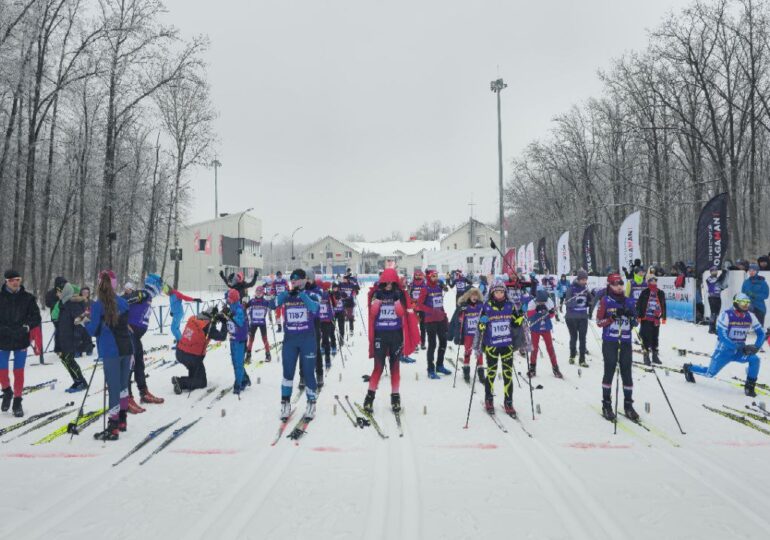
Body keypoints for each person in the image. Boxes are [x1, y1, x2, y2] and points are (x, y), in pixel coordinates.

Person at [683, 293, 766, 396]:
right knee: (710, 373)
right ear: (736, 303)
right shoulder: (726, 315)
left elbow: (761, 333)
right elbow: (722, 336)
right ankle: (689, 368)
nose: (746, 306)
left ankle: (750, 387)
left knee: (755, 359)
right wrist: (736, 346)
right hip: (724, 351)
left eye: (747, 303)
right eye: (743, 303)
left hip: (740, 351)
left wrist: (756, 347)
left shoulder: (750, 316)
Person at [83, 270, 132, 440]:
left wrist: (85, 322)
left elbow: (94, 330)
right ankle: (123, 421)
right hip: (127, 349)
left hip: (112, 351)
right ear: (114, 284)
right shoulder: (123, 302)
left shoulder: (97, 306)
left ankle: (113, 427)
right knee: (123, 386)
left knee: (113, 388)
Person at [363, 268, 419, 413]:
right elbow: (373, 313)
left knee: (395, 367)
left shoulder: (399, 293)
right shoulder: (377, 293)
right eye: (386, 282)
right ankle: (369, 399)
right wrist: (378, 300)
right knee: (378, 368)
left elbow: (401, 313)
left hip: (395, 335)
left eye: (391, 282)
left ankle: (395, 398)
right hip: (380, 335)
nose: (388, 285)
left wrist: (395, 301)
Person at [275, 269, 320, 421]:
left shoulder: (312, 293)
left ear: (304, 280)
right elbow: (272, 304)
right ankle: (285, 403)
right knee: (287, 373)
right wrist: (285, 294)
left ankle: (311, 402)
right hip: (290, 340)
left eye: (297, 279)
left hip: (307, 339)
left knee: (308, 373)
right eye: (291, 279)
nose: (293, 281)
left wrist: (301, 294)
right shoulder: (287, 295)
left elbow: (315, 308)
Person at [474, 280, 524, 416]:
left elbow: (516, 323)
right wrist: (482, 325)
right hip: (492, 346)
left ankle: (509, 402)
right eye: (496, 292)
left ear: (505, 293)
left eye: (501, 292)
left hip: (506, 345)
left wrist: (520, 316)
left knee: (508, 374)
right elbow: (480, 325)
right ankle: (489, 400)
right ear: (492, 293)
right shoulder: (487, 306)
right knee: (491, 373)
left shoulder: (510, 305)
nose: (499, 294)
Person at [595, 273, 639, 421]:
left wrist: (631, 318)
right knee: (610, 369)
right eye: (615, 284)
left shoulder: (629, 301)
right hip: (610, 341)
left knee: (627, 372)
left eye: (621, 283)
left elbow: (636, 321)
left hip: (625, 341)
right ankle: (606, 405)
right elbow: (599, 322)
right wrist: (612, 317)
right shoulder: (605, 301)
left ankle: (628, 405)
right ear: (610, 285)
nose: (619, 286)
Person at [0, 270, 42, 417]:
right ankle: (7, 392)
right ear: (6, 281)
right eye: (11, 280)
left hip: (21, 340)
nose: (15, 282)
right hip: (2, 340)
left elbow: (36, 317)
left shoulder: (28, 298)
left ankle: (17, 401)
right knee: (2, 372)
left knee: (19, 373)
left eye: (17, 279)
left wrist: (27, 327)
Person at [123, 273, 164, 412]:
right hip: (128, 334)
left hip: (136, 336)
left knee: (139, 363)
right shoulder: (143, 294)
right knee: (129, 365)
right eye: (160, 285)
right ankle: (126, 398)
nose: (161, 289)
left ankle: (144, 392)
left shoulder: (148, 297)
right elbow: (122, 301)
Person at [171, 308, 228, 393]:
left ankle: (186, 381)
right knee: (202, 382)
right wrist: (224, 322)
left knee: (195, 372)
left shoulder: (193, 318)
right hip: (192, 356)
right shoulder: (207, 327)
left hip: (180, 352)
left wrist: (214, 321)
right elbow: (222, 336)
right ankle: (180, 382)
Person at [415, 269, 450, 379]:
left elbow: (439, 303)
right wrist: (431, 310)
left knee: (443, 342)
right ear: (429, 277)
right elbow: (419, 305)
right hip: (430, 320)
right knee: (432, 344)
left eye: (436, 275)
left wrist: (444, 315)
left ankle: (440, 365)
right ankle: (430, 369)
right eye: (433, 276)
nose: (435, 277)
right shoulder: (425, 288)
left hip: (440, 319)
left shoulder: (438, 287)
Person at [55, 283, 89, 391]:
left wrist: (77, 336)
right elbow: (60, 325)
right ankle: (76, 381)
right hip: (63, 338)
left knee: (69, 359)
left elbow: (80, 320)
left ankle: (81, 382)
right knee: (64, 359)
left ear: (65, 292)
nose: (57, 294)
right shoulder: (62, 304)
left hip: (71, 338)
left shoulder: (72, 304)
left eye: (59, 291)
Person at [527, 289, 562, 378]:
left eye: (544, 301)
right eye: (540, 302)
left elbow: (552, 315)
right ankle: (532, 367)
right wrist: (535, 311)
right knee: (534, 348)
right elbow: (529, 316)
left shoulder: (549, 301)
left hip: (546, 327)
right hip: (535, 328)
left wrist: (550, 312)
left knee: (550, 347)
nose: (542, 303)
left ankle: (555, 367)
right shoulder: (532, 303)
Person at [223, 288, 250, 394]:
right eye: (227, 299)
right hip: (233, 338)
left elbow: (239, 322)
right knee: (235, 362)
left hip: (240, 339)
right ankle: (245, 379)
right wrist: (222, 315)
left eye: (229, 299)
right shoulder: (231, 307)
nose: (228, 301)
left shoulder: (239, 309)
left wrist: (229, 314)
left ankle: (237, 384)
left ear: (234, 299)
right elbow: (228, 320)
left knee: (238, 363)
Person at [636, 275, 666, 365]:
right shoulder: (644, 292)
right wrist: (638, 316)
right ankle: (646, 356)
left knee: (655, 337)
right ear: (648, 282)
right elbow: (639, 305)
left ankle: (655, 356)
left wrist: (664, 317)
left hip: (656, 319)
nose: (654, 282)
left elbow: (663, 305)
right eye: (652, 280)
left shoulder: (660, 292)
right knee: (645, 338)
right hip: (646, 318)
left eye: (655, 280)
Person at [565, 270, 592, 367]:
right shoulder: (571, 288)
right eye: (583, 279)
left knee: (583, 338)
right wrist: (576, 302)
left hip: (583, 317)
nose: (584, 281)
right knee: (574, 337)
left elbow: (591, 301)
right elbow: (567, 302)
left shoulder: (585, 289)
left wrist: (590, 301)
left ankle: (582, 360)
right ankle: (572, 356)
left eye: (586, 279)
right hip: (571, 317)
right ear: (578, 279)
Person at [458, 287, 485, 384]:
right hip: (468, 333)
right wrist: (461, 311)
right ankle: (466, 370)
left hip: (478, 333)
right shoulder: (465, 306)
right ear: (469, 296)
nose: (474, 297)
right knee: (467, 351)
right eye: (473, 295)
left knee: (479, 352)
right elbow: (459, 318)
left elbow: (485, 316)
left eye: (476, 295)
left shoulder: (481, 305)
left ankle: (481, 372)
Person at [245, 286, 272, 364]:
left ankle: (268, 354)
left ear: (262, 293)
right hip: (253, 323)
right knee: (251, 340)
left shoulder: (265, 302)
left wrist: (271, 300)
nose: (258, 294)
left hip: (262, 323)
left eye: (260, 292)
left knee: (264, 339)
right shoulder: (252, 301)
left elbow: (272, 306)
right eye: (257, 292)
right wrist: (244, 303)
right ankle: (248, 356)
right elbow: (245, 307)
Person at [317, 281, 337, 370]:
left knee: (326, 337)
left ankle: (327, 358)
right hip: (319, 320)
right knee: (321, 338)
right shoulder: (316, 295)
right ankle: (321, 356)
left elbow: (335, 304)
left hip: (327, 320)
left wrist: (332, 296)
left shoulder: (329, 294)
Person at [408, 269, 428, 349]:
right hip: (414, 307)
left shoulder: (425, 284)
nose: (418, 276)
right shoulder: (411, 284)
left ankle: (422, 343)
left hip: (422, 307)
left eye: (420, 275)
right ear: (414, 275)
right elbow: (409, 296)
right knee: (414, 326)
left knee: (423, 326)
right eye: (417, 275)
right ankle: (415, 343)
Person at [706, 265, 727, 334]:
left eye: (716, 270)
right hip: (712, 298)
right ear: (711, 272)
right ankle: (711, 328)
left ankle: (714, 327)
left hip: (717, 297)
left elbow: (720, 287)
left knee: (717, 313)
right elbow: (716, 281)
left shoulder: (716, 279)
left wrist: (724, 286)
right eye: (713, 270)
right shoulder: (709, 279)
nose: (715, 272)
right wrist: (723, 274)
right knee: (713, 313)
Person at [76, 286, 95, 357]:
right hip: (79, 322)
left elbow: (95, 311)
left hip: (88, 322)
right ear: (81, 293)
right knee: (78, 337)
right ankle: (78, 351)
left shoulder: (91, 302)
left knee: (88, 336)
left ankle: (89, 349)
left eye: (87, 292)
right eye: (84, 292)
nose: (85, 294)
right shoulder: (77, 302)